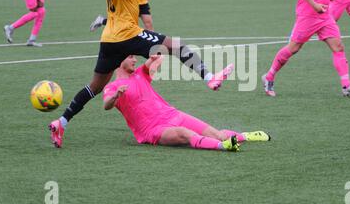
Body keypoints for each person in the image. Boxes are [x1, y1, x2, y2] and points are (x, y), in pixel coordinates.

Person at [48, 0, 233, 148]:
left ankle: (61, 123)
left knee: (94, 87)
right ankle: (209, 77)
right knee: (177, 46)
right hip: (128, 35)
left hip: (109, 39)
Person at [103, 55, 271, 152]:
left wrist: (155, 56)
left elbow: (157, 58)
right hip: (154, 130)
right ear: (119, 59)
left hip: (173, 114)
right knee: (185, 134)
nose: (134, 59)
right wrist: (116, 96)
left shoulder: (141, 73)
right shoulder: (113, 86)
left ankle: (248, 135)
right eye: (130, 56)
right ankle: (223, 147)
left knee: (216, 133)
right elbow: (106, 104)